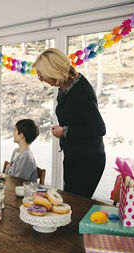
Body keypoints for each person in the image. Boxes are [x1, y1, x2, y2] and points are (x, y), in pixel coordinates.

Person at [32, 48, 106, 198]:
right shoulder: (66, 86)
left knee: (76, 204)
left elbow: (99, 129)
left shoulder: (81, 91)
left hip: (87, 160)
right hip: (74, 155)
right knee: (70, 200)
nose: (42, 80)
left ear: (54, 72)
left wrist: (65, 131)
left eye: (41, 76)